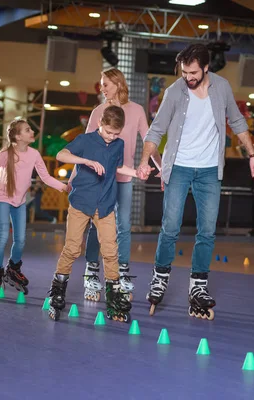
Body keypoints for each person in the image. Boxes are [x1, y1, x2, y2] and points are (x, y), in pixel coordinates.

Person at [136, 43, 254, 320]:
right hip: (178, 168)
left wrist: (252, 155)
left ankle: (198, 287)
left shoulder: (222, 88)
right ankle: (159, 278)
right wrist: (145, 161)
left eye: (193, 72)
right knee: (170, 228)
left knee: (207, 231)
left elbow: (238, 122)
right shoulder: (174, 92)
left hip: (209, 170)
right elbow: (155, 131)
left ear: (206, 68)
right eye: (184, 72)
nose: (188, 77)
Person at [47, 106, 152, 322]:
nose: (112, 137)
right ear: (99, 124)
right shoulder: (85, 140)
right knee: (73, 248)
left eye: (116, 133)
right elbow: (60, 154)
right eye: (108, 132)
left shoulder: (118, 144)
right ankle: (57, 290)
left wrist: (137, 172)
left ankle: (113, 298)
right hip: (81, 203)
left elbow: (117, 167)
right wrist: (86, 161)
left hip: (105, 204)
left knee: (111, 251)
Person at [71, 67, 162, 303]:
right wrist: (73, 177)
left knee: (123, 225)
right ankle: (91, 269)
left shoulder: (137, 111)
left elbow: (149, 142)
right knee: (95, 222)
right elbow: (85, 146)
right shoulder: (98, 112)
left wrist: (162, 169)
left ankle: (121, 271)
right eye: (101, 84)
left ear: (118, 83)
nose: (102, 88)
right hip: (98, 178)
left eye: (105, 84)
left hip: (124, 177)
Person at [0, 118, 67, 300]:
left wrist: (63, 187)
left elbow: (45, 177)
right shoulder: (6, 154)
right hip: (2, 198)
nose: (32, 132)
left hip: (20, 201)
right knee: (3, 236)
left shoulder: (34, 154)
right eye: (27, 130)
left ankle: (13, 269)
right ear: (17, 136)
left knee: (21, 240)